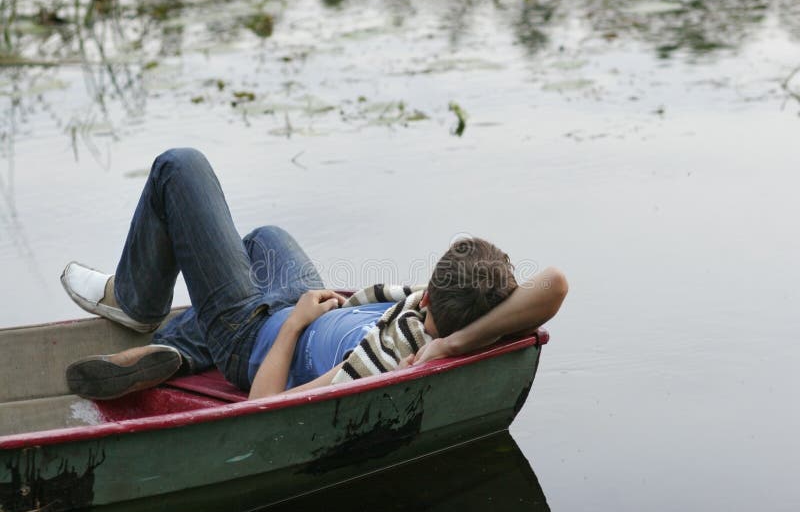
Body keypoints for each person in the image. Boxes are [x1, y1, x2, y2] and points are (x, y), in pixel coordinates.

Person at [61, 148, 568, 401]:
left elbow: (267, 405)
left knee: (180, 167)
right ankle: (185, 346)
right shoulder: (466, 319)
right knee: (264, 238)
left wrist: (292, 326)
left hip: (255, 336)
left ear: (430, 299)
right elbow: (555, 283)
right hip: (306, 301)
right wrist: (453, 345)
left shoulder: (383, 360)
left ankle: (140, 305)